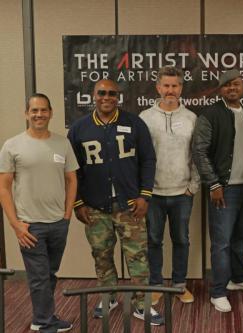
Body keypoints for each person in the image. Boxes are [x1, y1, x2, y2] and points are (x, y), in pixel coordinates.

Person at [67, 79, 164, 325]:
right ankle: (108, 296)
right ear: (93, 95)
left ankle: (143, 303)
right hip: (95, 207)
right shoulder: (79, 128)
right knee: (101, 254)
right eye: (102, 93)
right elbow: (72, 170)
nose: (106, 97)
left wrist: (145, 195)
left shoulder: (134, 123)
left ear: (118, 97)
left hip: (130, 205)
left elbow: (148, 160)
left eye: (112, 93)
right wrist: (78, 203)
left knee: (138, 256)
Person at [0, 94, 78, 333]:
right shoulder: (12, 145)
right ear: (27, 114)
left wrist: (66, 215)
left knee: (49, 274)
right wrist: (15, 225)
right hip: (30, 226)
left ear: (51, 113)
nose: (39, 115)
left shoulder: (62, 143)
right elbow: (3, 187)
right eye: (34, 111)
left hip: (58, 223)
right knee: (39, 277)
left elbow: (72, 179)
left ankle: (42, 316)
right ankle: (44, 323)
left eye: (43, 110)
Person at [192, 69, 243, 313]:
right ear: (220, 90)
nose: (232, 88)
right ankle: (218, 291)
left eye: (236, 84)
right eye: (226, 85)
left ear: (242, 87)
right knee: (221, 243)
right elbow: (199, 151)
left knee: (241, 238)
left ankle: (238, 278)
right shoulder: (210, 114)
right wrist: (215, 184)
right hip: (224, 189)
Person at [139, 66, 200, 304]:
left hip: (182, 193)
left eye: (175, 86)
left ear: (181, 88)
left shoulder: (191, 118)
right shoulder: (145, 117)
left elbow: (197, 155)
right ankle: (155, 285)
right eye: (166, 85)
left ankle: (179, 285)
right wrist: (143, 191)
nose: (170, 90)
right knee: (153, 240)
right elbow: (139, 157)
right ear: (158, 87)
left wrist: (193, 186)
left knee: (181, 240)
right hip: (153, 193)